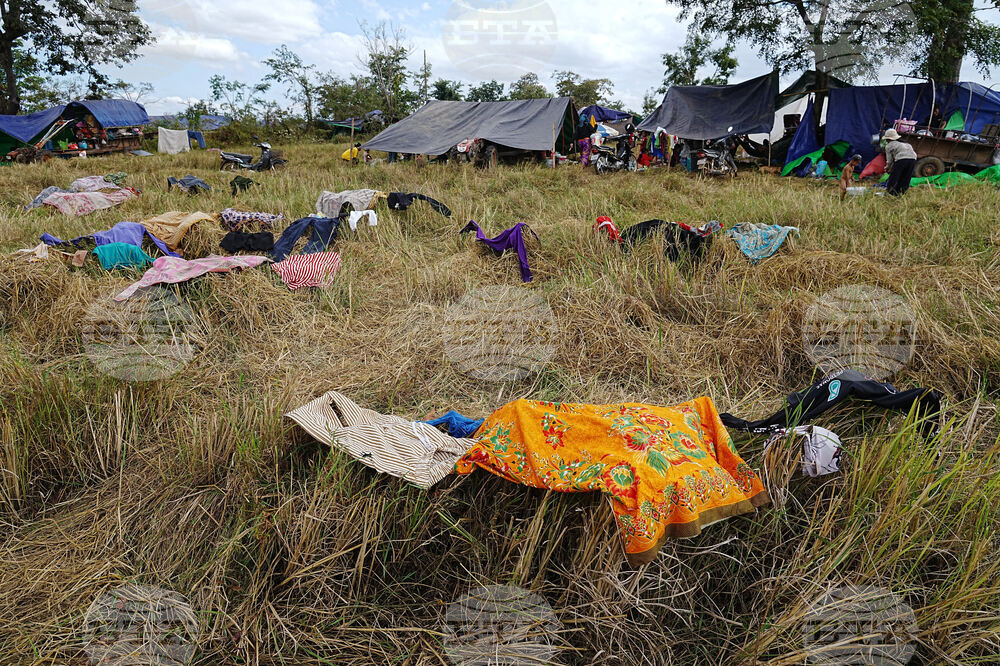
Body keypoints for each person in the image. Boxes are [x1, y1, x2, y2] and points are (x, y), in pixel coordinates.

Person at [882, 129, 917, 196]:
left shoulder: (889, 146)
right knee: (906, 177)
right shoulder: (907, 144)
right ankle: (902, 193)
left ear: (887, 139)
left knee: (894, 177)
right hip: (913, 159)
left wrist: (887, 168)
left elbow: (889, 161)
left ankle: (890, 193)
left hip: (901, 159)